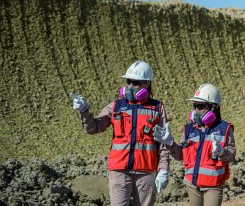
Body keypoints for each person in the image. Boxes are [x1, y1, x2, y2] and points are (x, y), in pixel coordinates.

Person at [70, 60, 170, 206]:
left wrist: (163, 170)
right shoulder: (116, 106)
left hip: (146, 171)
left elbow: (164, 143)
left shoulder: (157, 108)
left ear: (147, 84)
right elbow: (93, 128)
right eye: (128, 81)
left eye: (135, 82)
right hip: (119, 170)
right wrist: (84, 111)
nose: (130, 86)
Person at [152, 83, 236, 206]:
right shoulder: (188, 129)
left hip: (213, 185)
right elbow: (180, 155)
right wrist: (170, 143)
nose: (196, 110)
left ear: (214, 107)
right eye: (194, 106)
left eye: (200, 106)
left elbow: (232, 155)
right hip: (192, 183)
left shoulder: (225, 128)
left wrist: (222, 152)